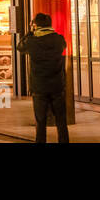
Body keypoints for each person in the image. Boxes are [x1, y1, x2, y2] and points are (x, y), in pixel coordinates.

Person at [17, 12, 69, 144]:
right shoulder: (59, 39)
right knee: (61, 120)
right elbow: (64, 46)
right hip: (57, 86)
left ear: (36, 25)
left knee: (40, 121)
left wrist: (30, 32)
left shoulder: (32, 42)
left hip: (39, 87)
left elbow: (20, 47)